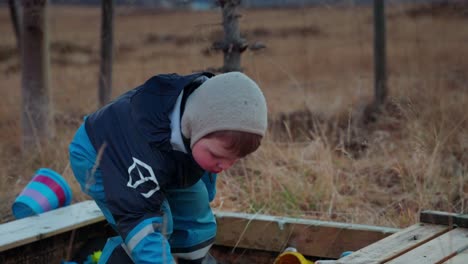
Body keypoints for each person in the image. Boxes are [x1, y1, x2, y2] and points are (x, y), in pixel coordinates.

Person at [68, 71, 268, 264]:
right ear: (194, 126)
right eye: (217, 156)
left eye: (234, 160)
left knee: (196, 220)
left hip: (168, 159)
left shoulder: (201, 118)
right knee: (156, 229)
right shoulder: (143, 149)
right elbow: (139, 220)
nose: (224, 166)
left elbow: (202, 189)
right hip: (100, 156)